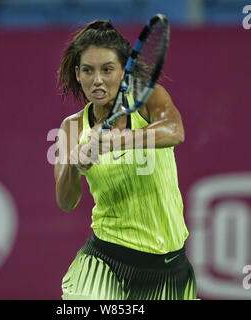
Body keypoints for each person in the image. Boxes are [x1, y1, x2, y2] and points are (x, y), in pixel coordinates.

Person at [54, 20, 196, 300]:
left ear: (123, 72)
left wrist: (116, 140)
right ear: (78, 74)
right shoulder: (71, 128)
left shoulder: (148, 98)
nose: (97, 80)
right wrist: (73, 163)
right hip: (104, 260)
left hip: (168, 267)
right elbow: (66, 201)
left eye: (107, 70)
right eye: (88, 70)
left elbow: (174, 131)